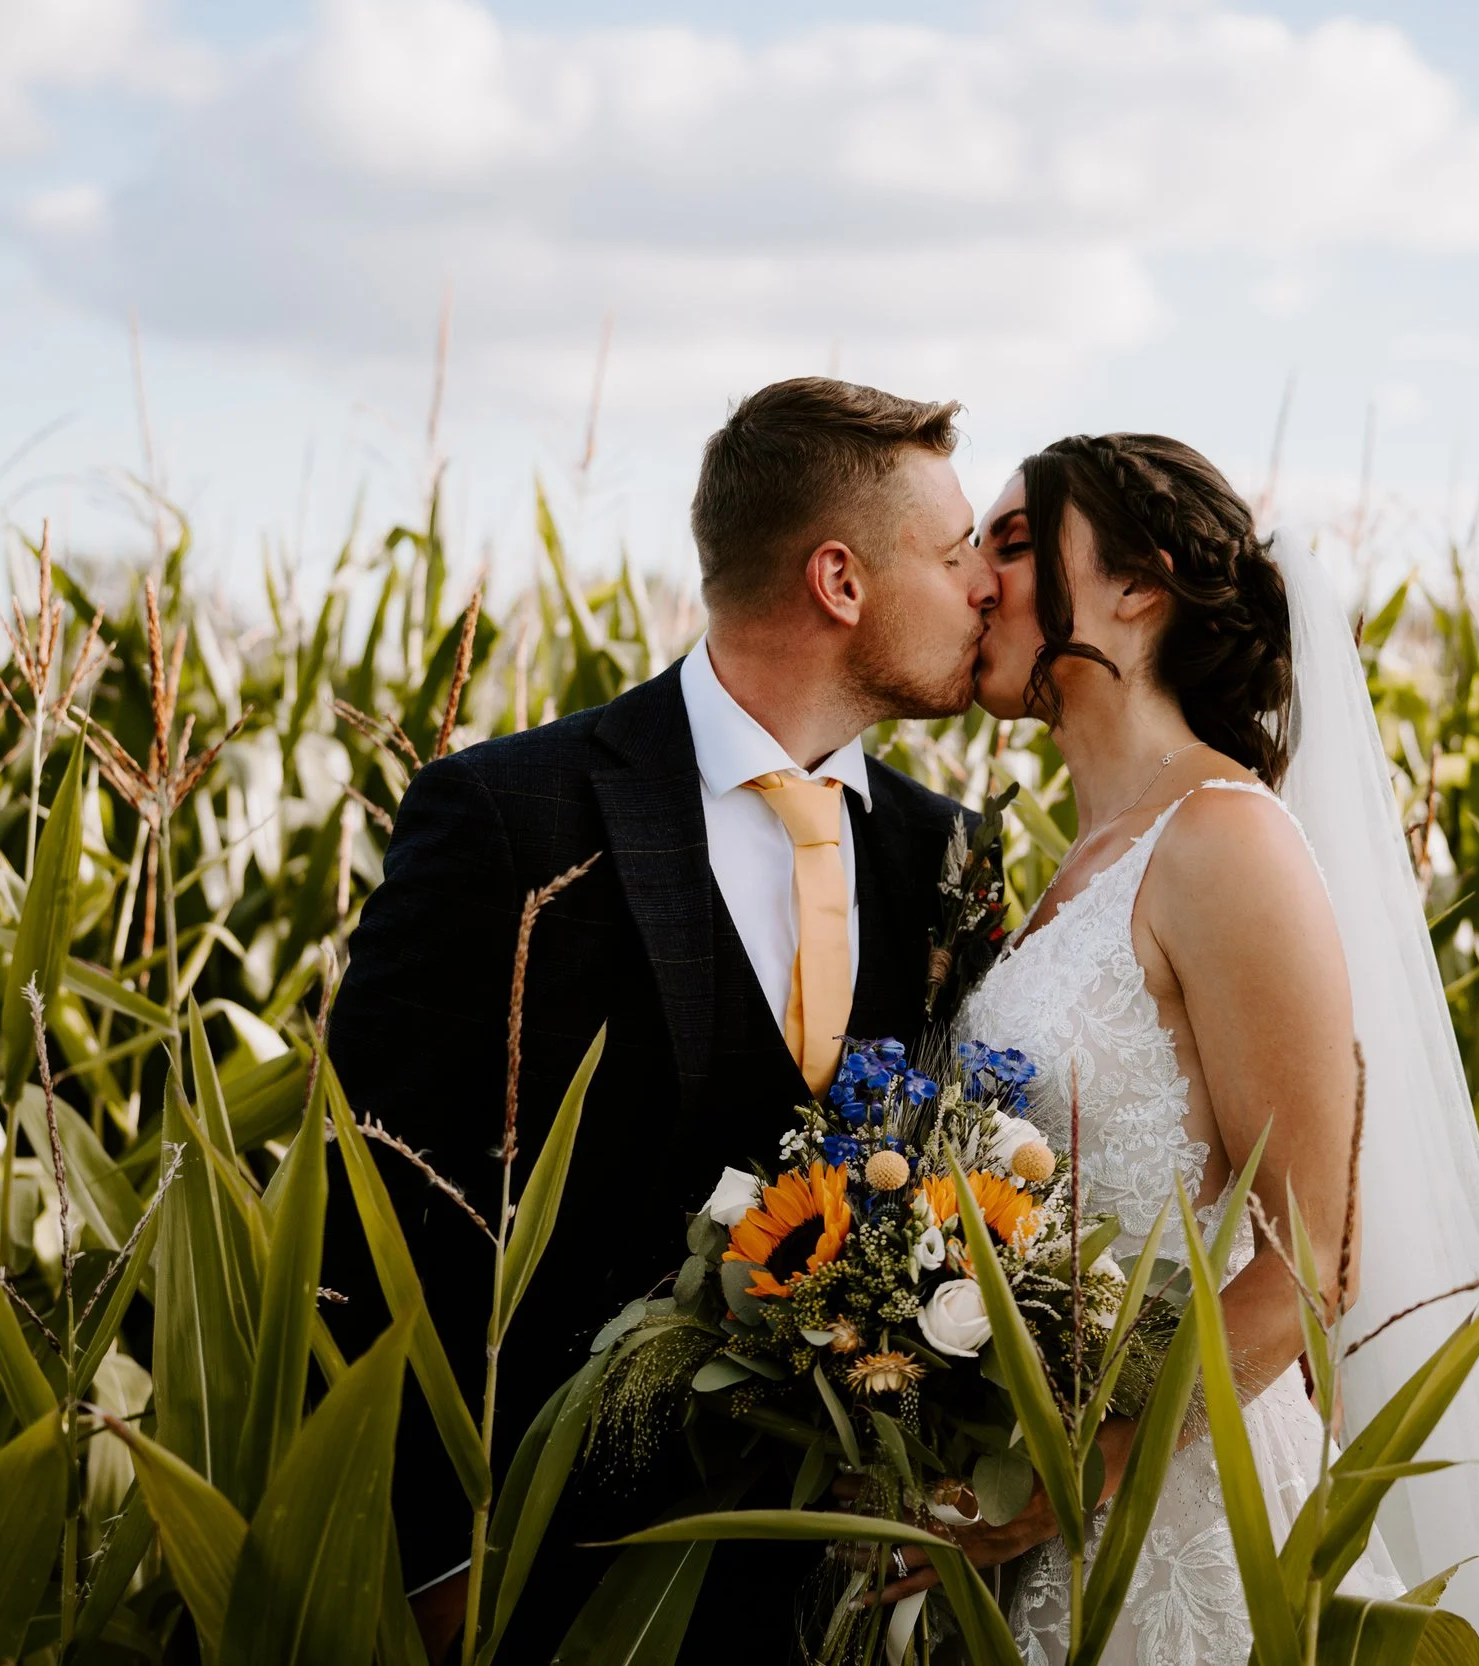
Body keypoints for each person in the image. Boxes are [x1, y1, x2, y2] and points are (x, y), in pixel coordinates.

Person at [877, 434, 1479, 1664]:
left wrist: (1080, 1469)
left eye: (1010, 543)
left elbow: (1304, 1261)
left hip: (1179, 1509)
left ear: (1139, 586)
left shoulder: (1225, 843)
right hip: (1029, 1506)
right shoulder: (1073, 860)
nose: (976, 582)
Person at [323, 377, 998, 1661]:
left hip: (844, 1587)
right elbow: (375, 1205)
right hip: (545, 1575)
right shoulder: (507, 816)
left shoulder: (943, 854)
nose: (983, 587)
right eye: (955, 549)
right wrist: (433, 1561)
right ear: (840, 581)